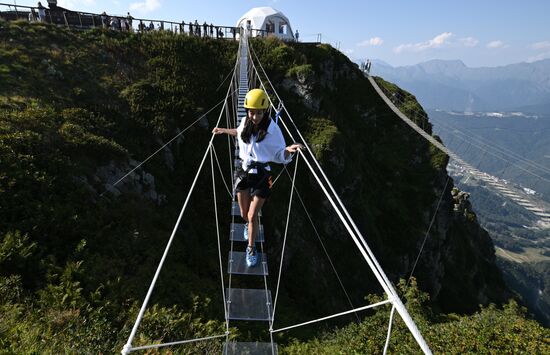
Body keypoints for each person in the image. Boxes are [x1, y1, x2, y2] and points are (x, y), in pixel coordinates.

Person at [212, 89, 302, 267]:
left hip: (262, 174)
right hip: (244, 171)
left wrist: (287, 151)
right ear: (247, 111)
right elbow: (238, 132)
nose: (255, 116)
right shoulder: (245, 122)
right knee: (244, 214)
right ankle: (247, 225)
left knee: (253, 215)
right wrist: (223, 130)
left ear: (265, 111)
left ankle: (251, 248)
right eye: (252, 111)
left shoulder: (273, 130)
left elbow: (278, 155)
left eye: (259, 112)